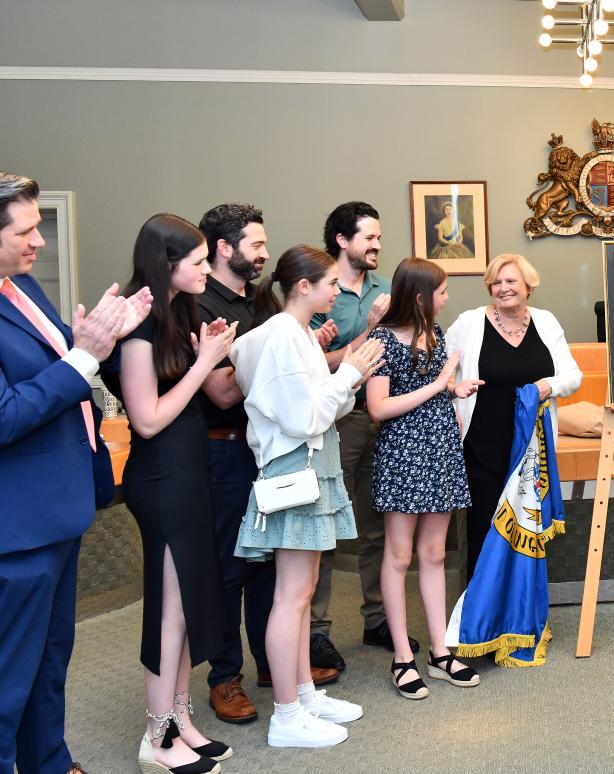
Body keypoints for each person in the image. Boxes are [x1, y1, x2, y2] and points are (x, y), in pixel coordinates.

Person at [0, 171, 150, 774]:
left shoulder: (23, 285)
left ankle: (50, 760)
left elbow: (68, 358)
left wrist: (104, 337)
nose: (40, 241)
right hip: (18, 523)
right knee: (9, 672)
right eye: (26, 230)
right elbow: (7, 417)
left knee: (50, 656)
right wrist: (85, 352)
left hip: (58, 506)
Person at [232, 244, 382, 747]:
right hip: (296, 467)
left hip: (314, 464)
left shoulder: (293, 335)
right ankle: (287, 714)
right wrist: (352, 374)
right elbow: (305, 418)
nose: (338, 290)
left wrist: (343, 379)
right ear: (304, 287)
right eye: (331, 283)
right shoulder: (280, 337)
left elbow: (324, 410)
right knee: (290, 597)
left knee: (303, 587)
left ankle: (304, 693)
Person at [102, 213, 237, 773]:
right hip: (160, 476)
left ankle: (179, 719)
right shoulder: (138, 328)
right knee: (169, 610)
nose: (209, 269)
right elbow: (150, 418)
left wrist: (203, 352)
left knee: (186, 605)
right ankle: (155, 737)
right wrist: (205, 362)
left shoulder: (176, 314)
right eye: (199, 261)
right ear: (166, 265)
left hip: (189, 471)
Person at [196, 203, 338, 726]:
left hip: (267, 448)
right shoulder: (199, 303)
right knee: (230, 568)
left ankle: (271, 668)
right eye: (255, 244)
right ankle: (223, 675)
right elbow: (224, 390)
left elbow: (280, 378)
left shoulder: (259, 303)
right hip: (220, 446)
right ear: (224, 248)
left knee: (272, 572)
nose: (263, 252)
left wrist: (305, 354)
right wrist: (290, 364)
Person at [366, 258, 482, 699]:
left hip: (439, 450)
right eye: (442, 290)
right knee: (399, 556)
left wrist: (454, 388)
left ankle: (439, 651)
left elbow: (427, 385)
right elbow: (378, 407)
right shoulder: (381, 340)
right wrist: (438, 385)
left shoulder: (431, 333)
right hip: (403, 454)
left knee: (434, 553)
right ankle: (401, 656)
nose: (447, 297)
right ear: (419, 296)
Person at [447, 253, 582, 577]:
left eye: (510, 281)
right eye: (496, 282)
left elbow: (572, 376)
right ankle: (480, 616)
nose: (503, 288)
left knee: (526, 532)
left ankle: (519, 612)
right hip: (482, 448)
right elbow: (441, 371)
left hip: (531, 451)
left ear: (528, 286)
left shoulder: (546, 322)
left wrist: (546, 387)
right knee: (484, 531)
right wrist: (453, 391)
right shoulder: (469, 322)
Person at [309, 201, 399, 669]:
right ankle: (316, 632)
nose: (377, 245)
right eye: (368, 237)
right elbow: (310, 361)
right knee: (324, 526)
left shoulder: (387, 288)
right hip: (335, 420)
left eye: (379, 237)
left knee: (377, 525)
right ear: (342, 241)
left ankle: (378, 617)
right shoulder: (317, 290)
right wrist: (368, 331)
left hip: (383, 418)